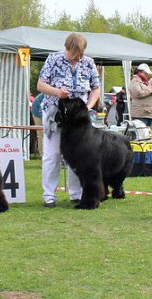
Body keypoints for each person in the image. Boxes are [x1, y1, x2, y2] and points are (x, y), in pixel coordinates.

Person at [37, 33, 101, 208]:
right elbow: (40, 85)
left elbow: (96, 88)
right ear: (68, 49)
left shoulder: (88, 63)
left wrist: (88, 106)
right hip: (54, 114)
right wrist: (57, 92)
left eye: (82, 53)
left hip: (79, 118)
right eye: (77, 53)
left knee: (78, 155)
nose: (80, 57)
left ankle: (76, 193)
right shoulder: (53, 59)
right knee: (52, 154)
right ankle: (49, 195)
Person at [127, 63, 152, 128]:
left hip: (148, 112)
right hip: (140, 113)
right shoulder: (134, 82)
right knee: (141, 133)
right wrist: (151, 89)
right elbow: (139, 93)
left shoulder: (146, 82)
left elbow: (147, 92)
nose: (147, 75)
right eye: (145, 73)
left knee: (147, 134)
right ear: (139, 72)